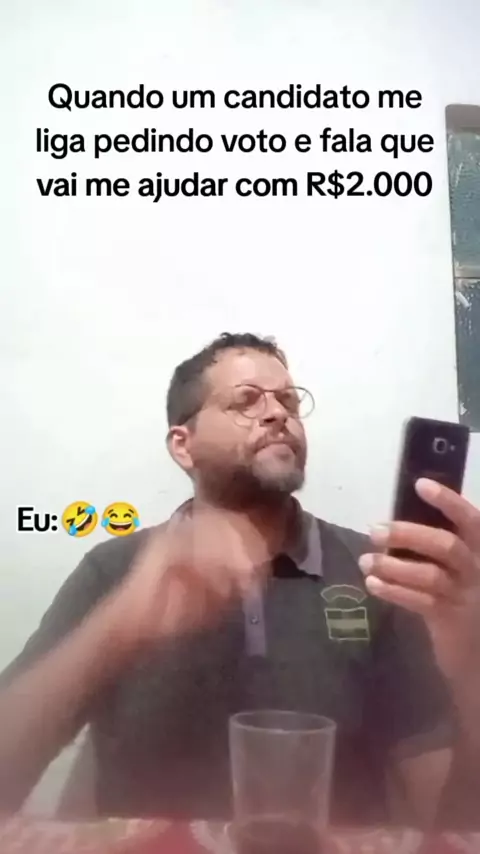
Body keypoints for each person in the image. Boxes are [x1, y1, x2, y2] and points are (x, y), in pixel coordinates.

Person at [0, 332, 479, 829]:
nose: (277, 414)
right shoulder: (115, 568)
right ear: (183, 445)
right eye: (246, 400)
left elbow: (452, 820)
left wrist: (472, 664)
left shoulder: (377, 573)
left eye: (289, 401)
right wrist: (120, 624)